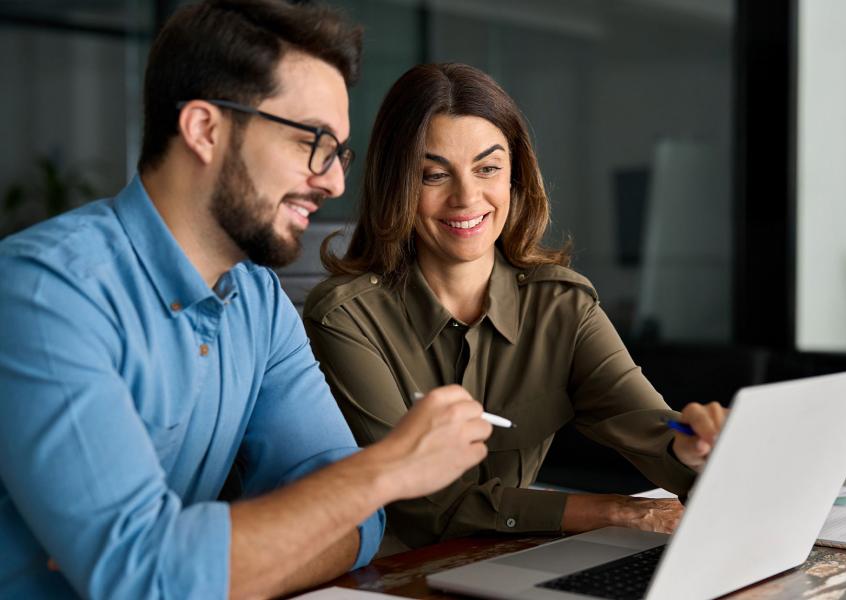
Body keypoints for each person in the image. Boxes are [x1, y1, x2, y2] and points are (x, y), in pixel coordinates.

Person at [0, 4, 493, 598]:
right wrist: (385, 470)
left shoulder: (259, 302)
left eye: (339, 151)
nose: (335, 181)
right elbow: (146, 578)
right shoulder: (44, 293)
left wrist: (202, 561)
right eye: (313, 141)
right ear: (205, 129)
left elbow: (360, 525)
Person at [303, 62, 727, 553]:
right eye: (434, 174)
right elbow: (420, 508)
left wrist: (691, 448)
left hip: (516, 561)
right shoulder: (345, 317)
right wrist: (608, 512)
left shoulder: (561, 305)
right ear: (396, 184)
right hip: (391, 577)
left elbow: (651, 427)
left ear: (515, 177)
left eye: (488, 168)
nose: (467, 197)